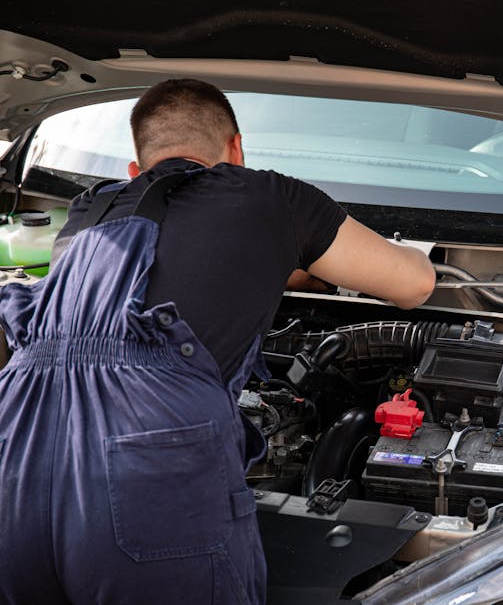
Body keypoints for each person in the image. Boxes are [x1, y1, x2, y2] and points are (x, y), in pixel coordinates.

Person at [0, 79, 435, 604]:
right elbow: (414, 285)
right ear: (236, 151)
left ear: (136, 171)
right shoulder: (269, 195)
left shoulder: (91, 209)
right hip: (146, 466)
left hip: (17, 456)